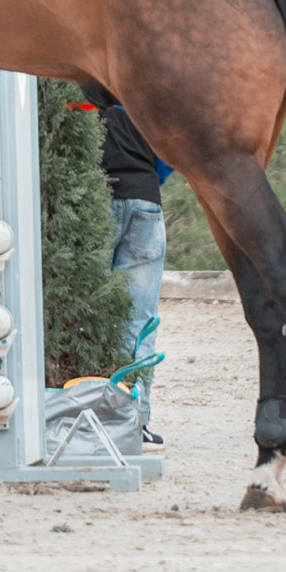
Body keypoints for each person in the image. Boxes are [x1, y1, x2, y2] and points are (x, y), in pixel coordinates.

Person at [80, 81, 167, 446]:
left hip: (94, 203)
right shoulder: (146, 97)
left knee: (84, 318)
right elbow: (168, 157)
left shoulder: (80, 96)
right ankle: (136, 421)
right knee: (139, 321)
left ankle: (85, 412)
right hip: (145, 201)